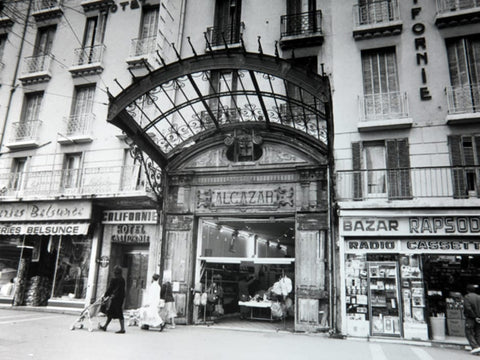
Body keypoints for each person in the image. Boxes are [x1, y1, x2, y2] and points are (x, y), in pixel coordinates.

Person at [99, 265, 126, 334]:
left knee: (119, 312)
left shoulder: (114, 279)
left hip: (115, 298)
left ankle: (122, 329)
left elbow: (110, 289)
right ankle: (105, 326)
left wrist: (105, 295)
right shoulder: (122, 279)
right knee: (111, 312)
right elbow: (121, 290)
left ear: (115, 272)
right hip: (120, 298)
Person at [464, 284, 480, 354]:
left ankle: (475, 347)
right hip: (479, 318)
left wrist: (474, 316)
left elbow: (468, 308)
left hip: (471, 318)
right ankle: (479, 345)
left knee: (469, 332)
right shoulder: (479, 297)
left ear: (467, 290)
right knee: (478, 333)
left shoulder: (467, 297)